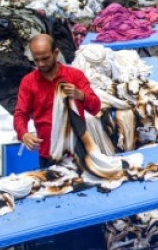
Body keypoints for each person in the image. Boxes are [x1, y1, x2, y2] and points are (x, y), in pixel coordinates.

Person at [14, 34, 101, 168]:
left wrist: (80, 95)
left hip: (77, 150)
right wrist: (24, 134)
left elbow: (95, 107)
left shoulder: (74, 76)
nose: (41, 64)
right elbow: (21, 113)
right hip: (48, 153)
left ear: (56, 53)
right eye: (36, 60)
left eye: (45, 58)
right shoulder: (28, 82)